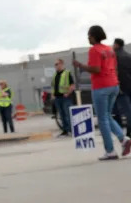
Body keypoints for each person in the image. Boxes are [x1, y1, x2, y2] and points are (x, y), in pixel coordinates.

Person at [72, 25, 131, 160]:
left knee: (102, 119)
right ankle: (123, 140)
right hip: (113, 85)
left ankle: (110, 150)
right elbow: (114, 68)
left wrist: (80, 66)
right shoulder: (109, 50)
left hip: (101, 87)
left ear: (94, 36)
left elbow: (96, 69)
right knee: (107, 116)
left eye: (89, 35)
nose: (88, 37)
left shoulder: (94, 50)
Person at [52, 58, 75, 136]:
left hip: (65, 98)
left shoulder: (67, 73)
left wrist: (68, 93)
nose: (55, 66)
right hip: (57, 98)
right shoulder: (55, 75)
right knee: (61, 115)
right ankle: (65, 130)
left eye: (57, 64)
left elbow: (72, 85)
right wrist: (53, 95)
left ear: (61, 64)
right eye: (55, 64)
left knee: (68, 114)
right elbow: (53, 86)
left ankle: (72, 130)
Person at [113, 38, 131, 137]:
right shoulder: (129, 55)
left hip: (121, 87)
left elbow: (115, 72)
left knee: (125, 110)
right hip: (129, 85)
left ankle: (128, 131)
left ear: (116, 45)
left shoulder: (115, 57)